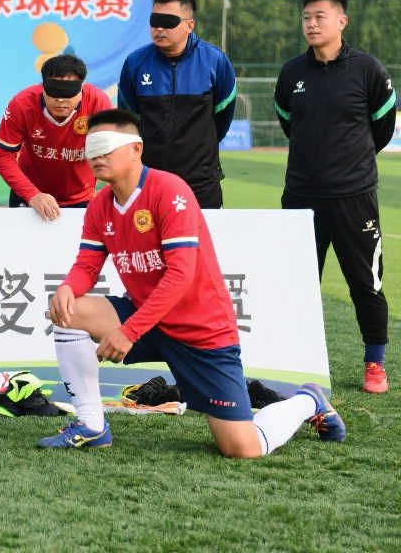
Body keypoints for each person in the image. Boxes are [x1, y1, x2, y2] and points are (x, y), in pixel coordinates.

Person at [41, 109, 346, 457]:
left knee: (241, 448)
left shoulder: (169, 191)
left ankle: (308, 400)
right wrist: (68, 287)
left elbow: (180, 276)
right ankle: (92, 426)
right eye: (91, 147)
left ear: (136, 149)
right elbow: (87, 264)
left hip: (201, 332)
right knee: (68, 311)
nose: (97, 155)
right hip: (148, 319)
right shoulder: (100, 204)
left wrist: (129, 331)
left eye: (106, 146)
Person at [275, 0, 395, 394]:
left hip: (353, 197)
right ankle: (292, 362)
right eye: (306, 17)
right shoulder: (292, 73)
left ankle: (375, 364)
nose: (311, 24)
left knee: (365, 283)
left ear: (341, 21)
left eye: (319, 17)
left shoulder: (368, 70)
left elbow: (382, 128)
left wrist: (350, 164)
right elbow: (288, 121)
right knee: (295, 283)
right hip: (301, 197)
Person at [118, 0, 236, 208]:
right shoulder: (135, 63)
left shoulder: (215, 61)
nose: (159, 28)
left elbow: (223, 116)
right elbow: (128, 120)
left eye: (168, 21)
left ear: (189, 25)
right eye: (155, 21)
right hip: (148, 181)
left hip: (201, 183)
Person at [0, 54, 111, 221]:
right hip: (30, 196)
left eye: (68, 93)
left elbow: (112, 154)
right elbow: (3, 155)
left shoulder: (98, 103)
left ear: (81, 89)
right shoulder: (22, 104)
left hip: (81, 198)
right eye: (54, 92)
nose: (60, 100)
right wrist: (31, 194)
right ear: (43, 87)